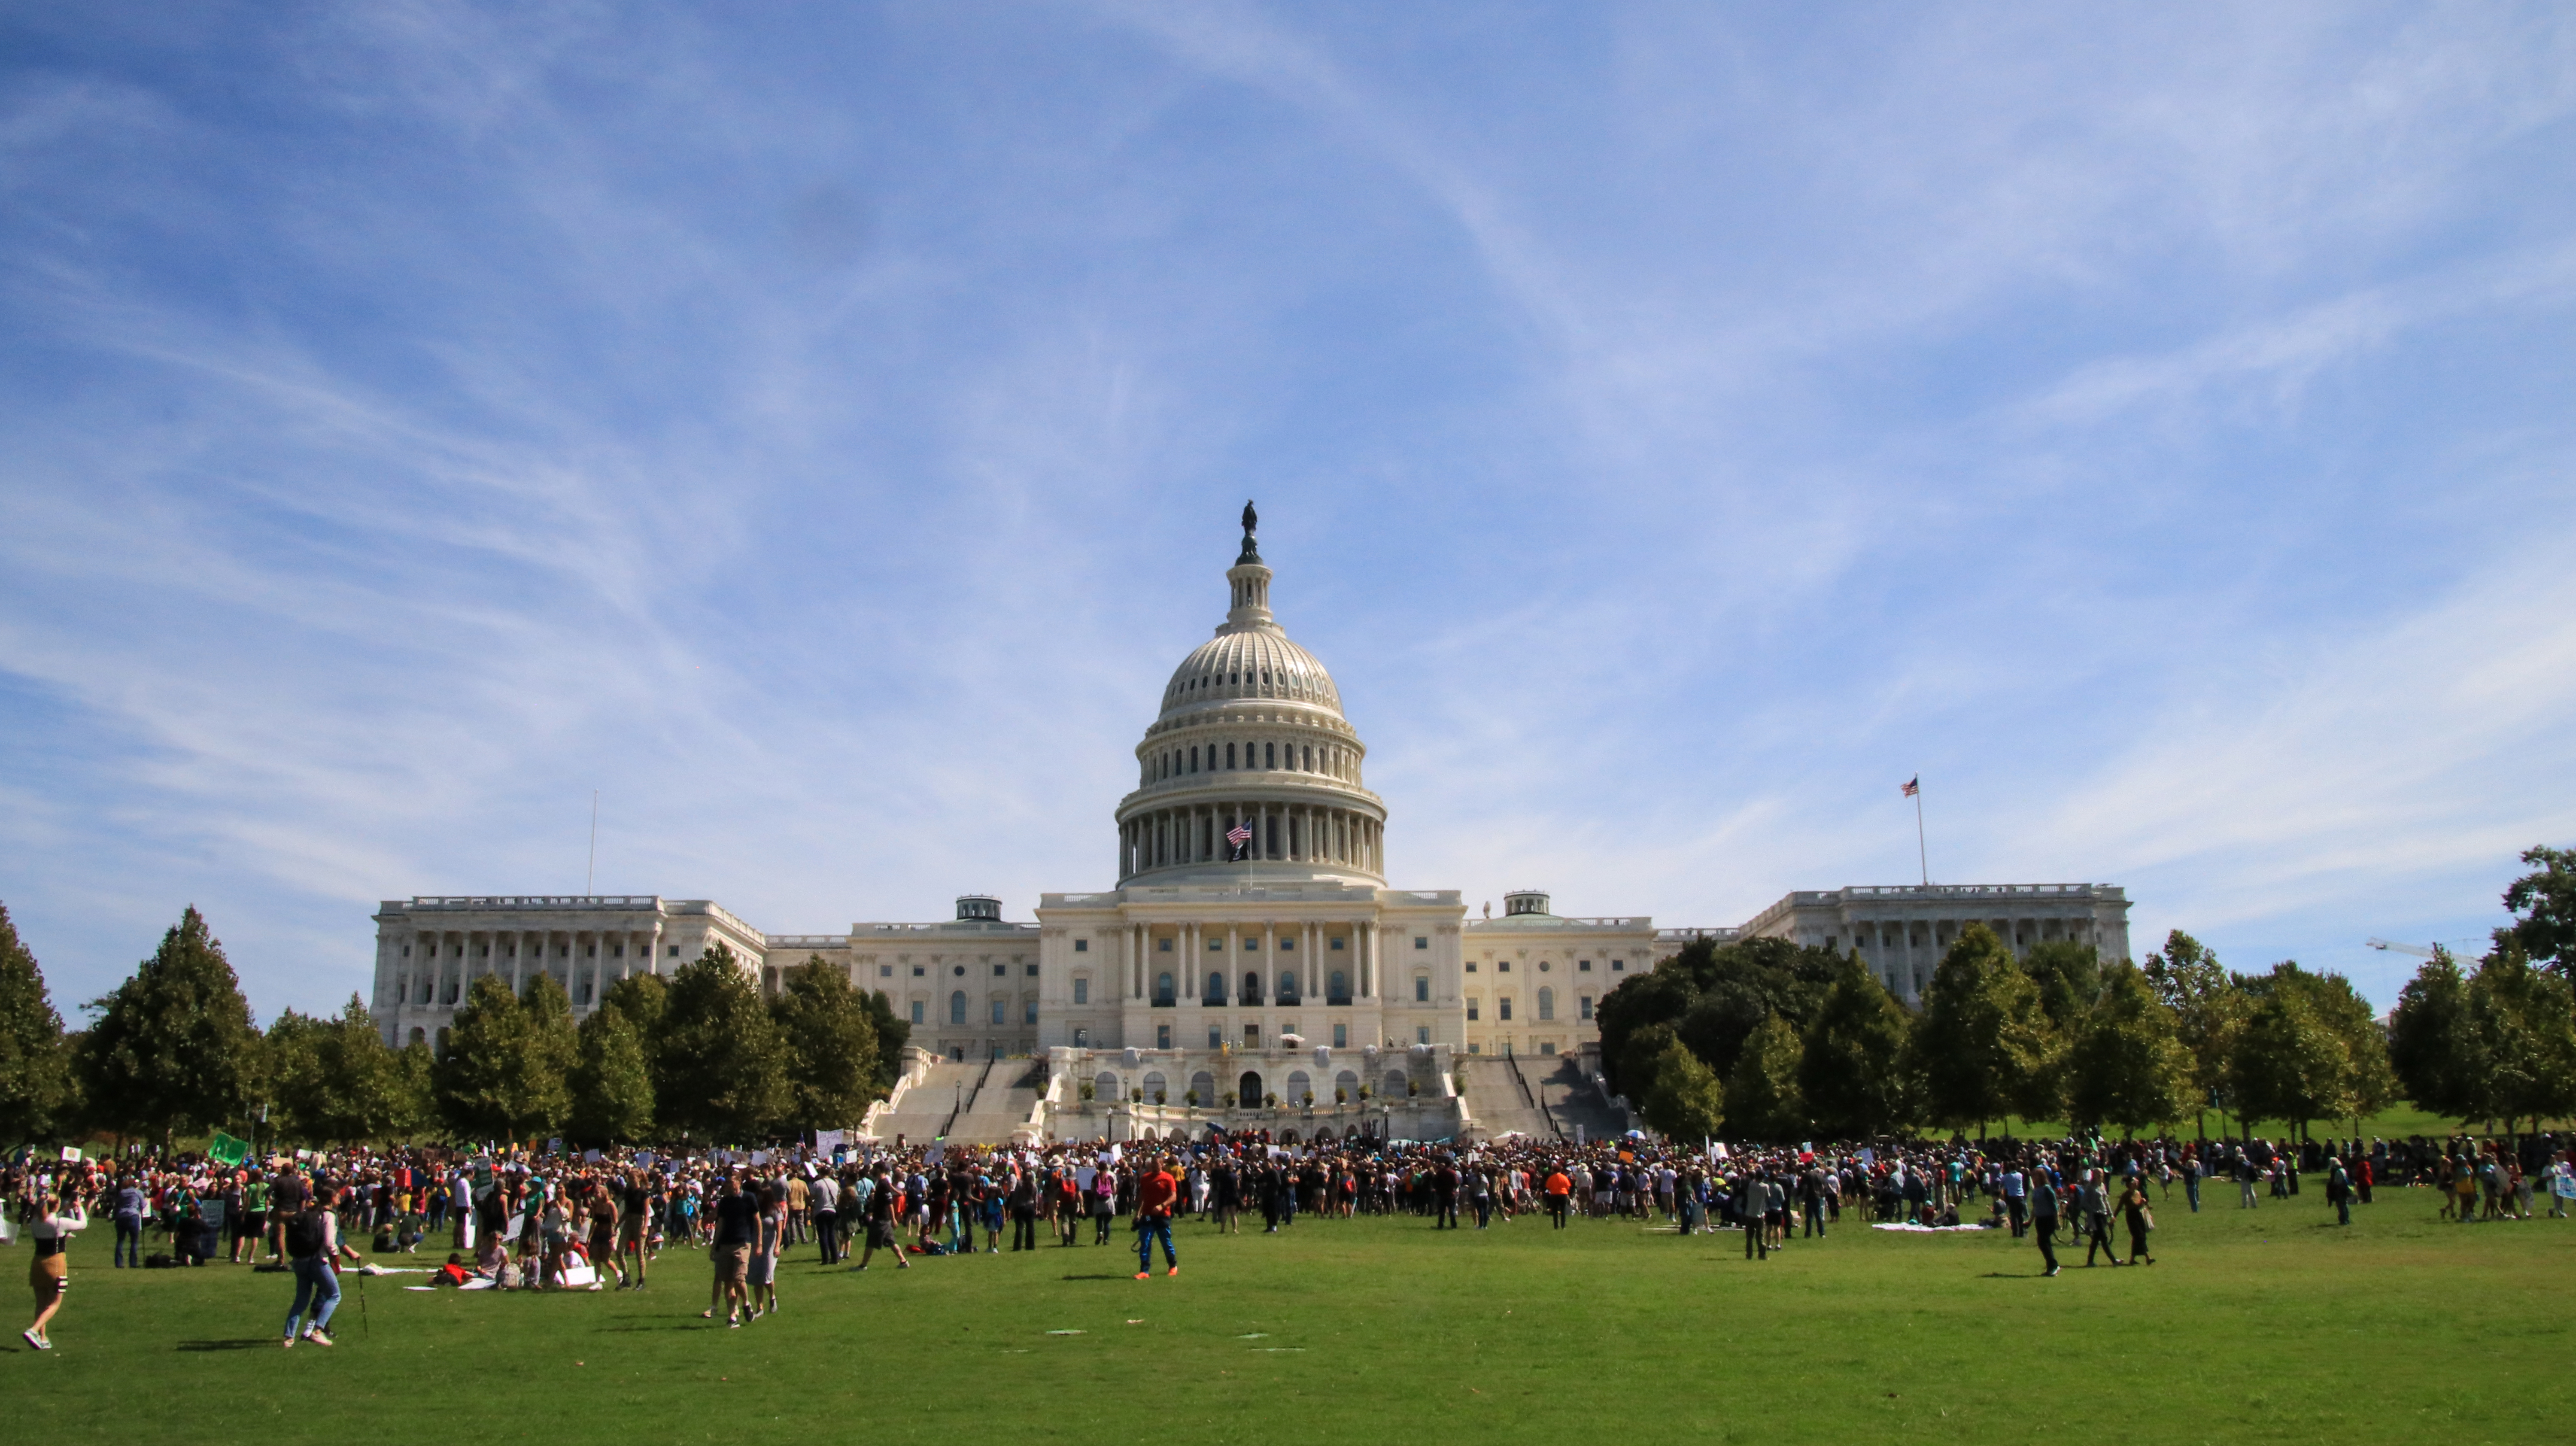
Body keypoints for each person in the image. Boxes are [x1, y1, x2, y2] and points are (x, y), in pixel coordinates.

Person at [282, 1184, 361, 1348]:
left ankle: (289, 1337)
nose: (339, 1199)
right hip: (318, 1260)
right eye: (337, 1197)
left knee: (301, 1300)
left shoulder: (311, 1212)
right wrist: (335, 1255)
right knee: (335, 1295)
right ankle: (318, 1331)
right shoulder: (329, 1215)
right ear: (332, 1199)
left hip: (300, 1260)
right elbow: (329, 1242)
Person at [22, 1189, 83, 1351]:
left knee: (41, 1303)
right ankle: (34, 1331)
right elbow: (83, 1224)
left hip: (37, 1263)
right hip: (56, 1263)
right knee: (55, 1303)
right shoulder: (59, 1222)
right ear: (57, 1205)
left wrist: (65, 1208)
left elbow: (49, 1217)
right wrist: (79, 1208)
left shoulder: (35, 1222)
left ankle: (42, 1338)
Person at [703, 1173, 756, 1327]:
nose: (729, 1186)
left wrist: (758, 1244)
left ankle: (746, 1304)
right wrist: (714, 1246)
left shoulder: (749, 1198)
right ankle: (733, 1316)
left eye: (732, 1183)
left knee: (740, 1279)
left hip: (742, 1244)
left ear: (739, 1183)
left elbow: (757, 1220)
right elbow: (720, 1224)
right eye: (727, 1184)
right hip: (725, 1244)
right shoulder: (725, 1202)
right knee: (728, 1283)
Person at [1133, 1155, 1180, 1280]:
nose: (1154, 1166)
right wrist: (1138, 1214)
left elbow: (1174, 1197)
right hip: (1147, 1216)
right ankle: (1144, 1270)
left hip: (1163, 1216)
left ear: (1162, 1164)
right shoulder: (1145, 1179)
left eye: (1156, 1164)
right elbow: (1142, 1197)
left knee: (1166, 1242)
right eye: (1152, 1164)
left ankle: (1173, 1266)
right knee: (1145, 1242)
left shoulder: (1168, 1178)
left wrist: (1162, 1206)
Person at [2030, 1167, 2062, 1278]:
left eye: (2035, 1176)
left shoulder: (2047, 1189)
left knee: (2043, 1241)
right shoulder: (2036, 1190)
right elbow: (2035, 1207)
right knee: (2043, 1242)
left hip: (2048, 1218)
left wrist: (2057, 1221)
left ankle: (2053, 1266)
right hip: (2039, 1219)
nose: (2033, 1178)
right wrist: (2030, 1221)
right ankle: (2052, 1266)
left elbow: (2054, 1206)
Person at [2119, 1177, 2155, 1264]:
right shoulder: (2126, 1195)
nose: (2136, 1183)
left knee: (2139, 1237)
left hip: (2139, 1215)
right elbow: (2123, 1206)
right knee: (2140, 1236)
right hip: (2132, 1217)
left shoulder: (2138, 1193)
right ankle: (2148, 1258)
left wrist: (2147, 1205)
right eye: (2134, 1183)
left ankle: (2133, 1259)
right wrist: (2114, 1217)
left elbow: (2142, 1204)